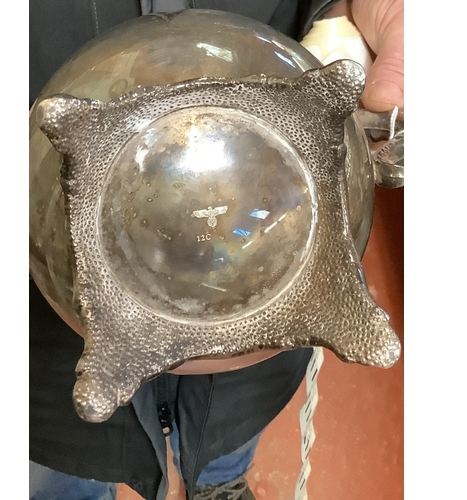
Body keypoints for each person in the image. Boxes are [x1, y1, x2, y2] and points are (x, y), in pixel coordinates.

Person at [29, 1, 404, 499]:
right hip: (47, 265)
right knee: (69, 461)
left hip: (273, 243)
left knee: (232, 423)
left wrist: (347, 10)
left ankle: (218, 479)